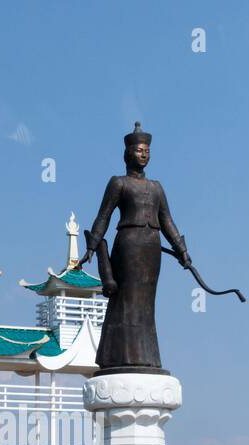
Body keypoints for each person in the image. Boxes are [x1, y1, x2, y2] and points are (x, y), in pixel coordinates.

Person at [80, 123, 190, 373]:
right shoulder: (118, 183)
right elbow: (103, 216)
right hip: (128, 246)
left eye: (147, 151)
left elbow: (168, 221)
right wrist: (92, 245)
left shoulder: (157, 187)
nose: (144, 154)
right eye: (140, 150)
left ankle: (147, 357)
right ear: (128, 153)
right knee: (126, 301)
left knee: (145, 304)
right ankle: (119, 356)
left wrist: (182, 250)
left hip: (151, 247)